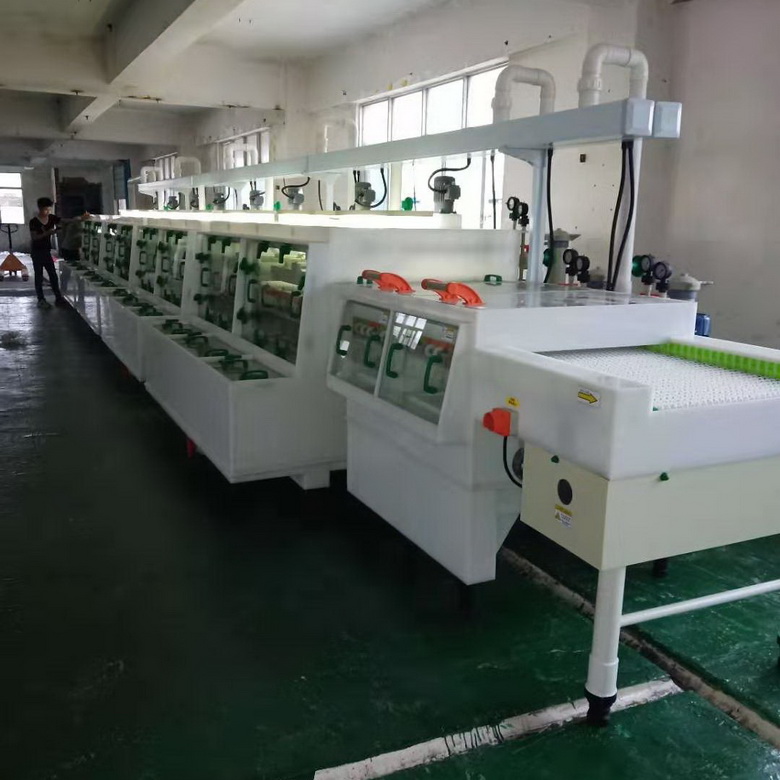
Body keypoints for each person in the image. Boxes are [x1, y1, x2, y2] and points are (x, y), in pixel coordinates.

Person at [28, 198, 87, 309]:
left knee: (53, 276)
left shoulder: (51, 218)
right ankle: (41, 300)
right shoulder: (34, 222)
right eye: (46, 209)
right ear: (40, 208)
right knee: (39, 276)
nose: (48, 211)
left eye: (49, 209)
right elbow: (34, 237)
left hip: (46, 251)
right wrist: (48, 233)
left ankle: (58, 298)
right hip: (37, 252)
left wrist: (79, 219)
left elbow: (64, 221)